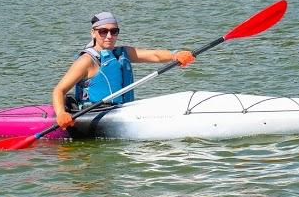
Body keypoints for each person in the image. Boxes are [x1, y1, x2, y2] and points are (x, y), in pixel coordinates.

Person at [52, 11, 196, 129]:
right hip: (94, 115)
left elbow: (154, 55)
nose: (109, 36)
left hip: (123, 110)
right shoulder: (86, 61)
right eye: (103, 31)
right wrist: (61, 114)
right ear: (93, 33)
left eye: (114, 31)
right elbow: (59, 90)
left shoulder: (122, 53)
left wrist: (175, 55)